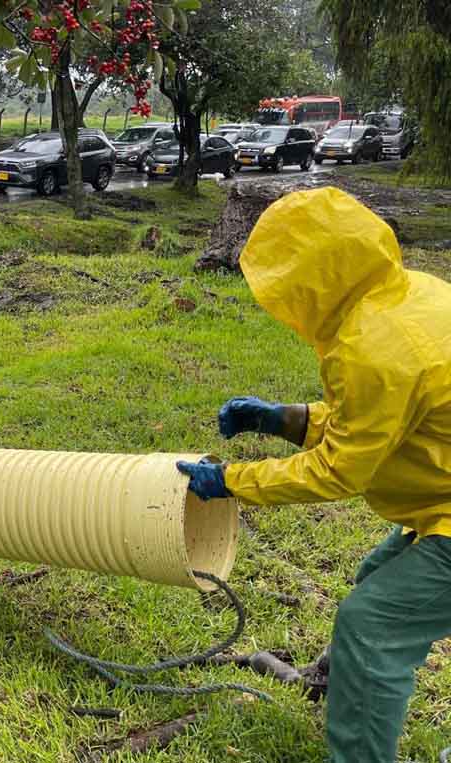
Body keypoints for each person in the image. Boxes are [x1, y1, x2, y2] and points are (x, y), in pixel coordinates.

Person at [176, 187, 451, 763]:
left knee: (370, 623)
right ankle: (342, 680)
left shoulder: (375, 347)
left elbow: (339, 470)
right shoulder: (408, 296)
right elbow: (379, 419)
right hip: (439, 503)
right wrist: (284, 419)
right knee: (380, 570)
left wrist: (232, 481)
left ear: (313, 279)